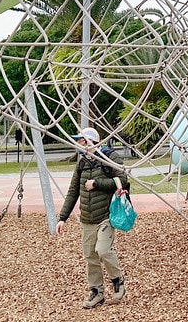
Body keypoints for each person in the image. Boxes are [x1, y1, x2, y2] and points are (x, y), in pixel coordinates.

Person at [57, 127, 129, 309]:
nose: (79, 145)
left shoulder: (108, 157)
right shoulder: (82, 163)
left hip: (106, 215)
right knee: (90, 256)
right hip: (87, 218)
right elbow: (73, 191)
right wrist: (62, 218)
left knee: (103, 250)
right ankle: (97, 292)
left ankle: (118, 281)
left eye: (81, 141)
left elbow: (123, 180)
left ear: (91, 142)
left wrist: (97, 184)